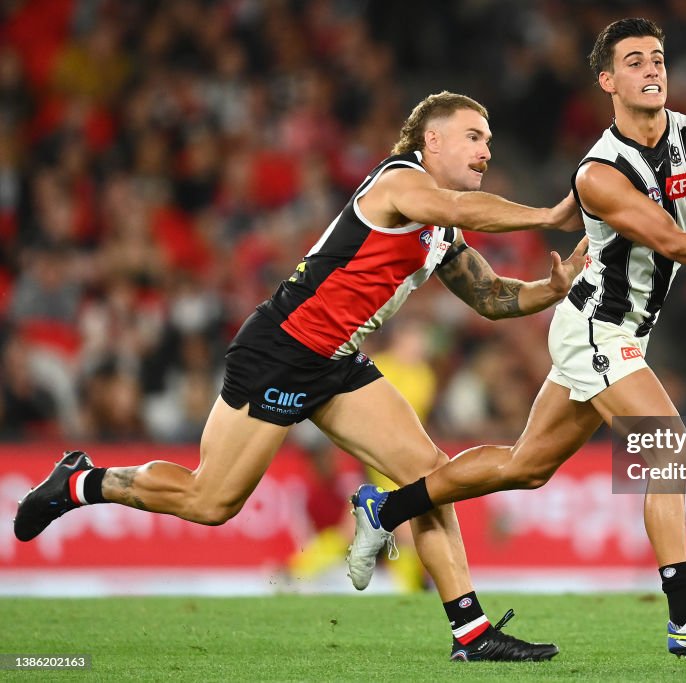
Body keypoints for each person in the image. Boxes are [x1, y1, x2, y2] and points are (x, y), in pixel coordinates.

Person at [14, 91, 587, 662]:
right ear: (431, 141)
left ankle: (472, 633)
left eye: (488, 139)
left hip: (337, 361)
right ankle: (80, 482)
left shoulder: (439, 231)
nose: (486, 148)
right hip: (280, 350)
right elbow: (460, 210)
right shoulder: (398, 181)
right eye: (474, 136)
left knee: (432, 478)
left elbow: (489, 297)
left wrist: (549, 291)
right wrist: (548, 214)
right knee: (209, 500)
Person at [347, 18, 686, 658]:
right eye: (634, 62)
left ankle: (387, 509)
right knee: (670, 446)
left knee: (527, 466)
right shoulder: (598, 173)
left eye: (657, 58)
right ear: (607, 80)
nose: (652, 69)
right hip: (596, 324)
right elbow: (675, 241)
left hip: (628, 331)